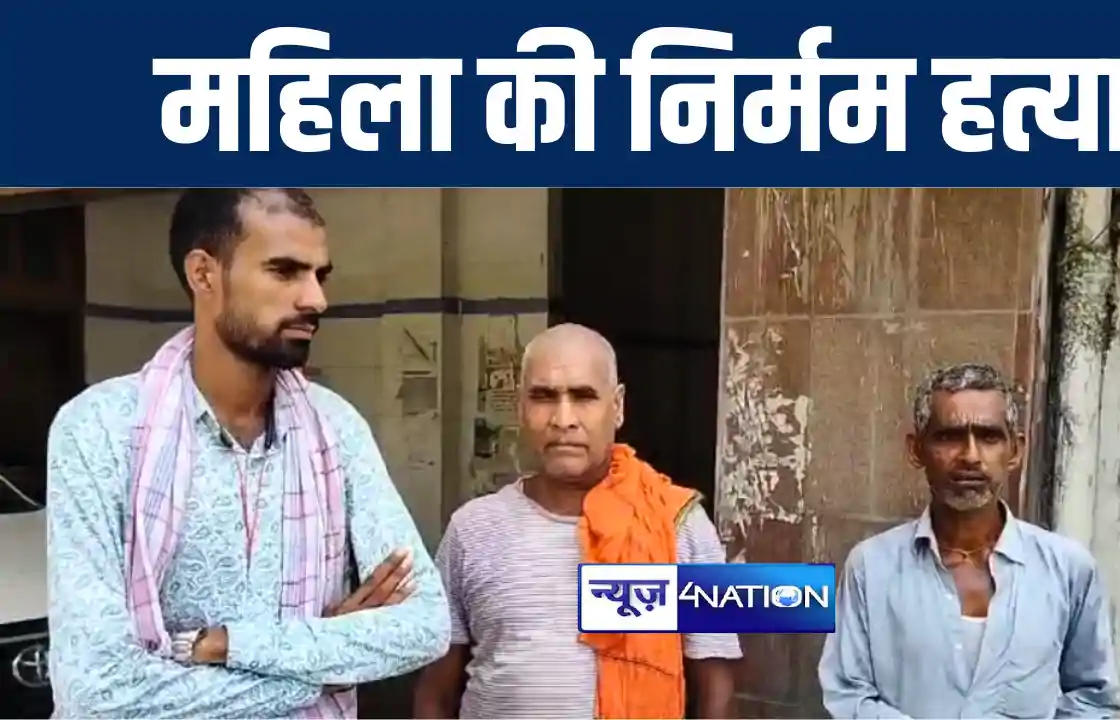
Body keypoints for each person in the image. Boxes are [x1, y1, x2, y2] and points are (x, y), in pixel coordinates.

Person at [46, 188, 451, 718]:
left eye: (320, 275)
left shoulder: (335, 428)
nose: (316, 299)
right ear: (204, 274)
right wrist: (322, 669)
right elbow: (99, 695)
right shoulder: (101, 429)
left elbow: (425, 625)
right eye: (285, 272)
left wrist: (226, 645)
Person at [412, 323, 741, 719]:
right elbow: (436, 693)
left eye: (584, 397)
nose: (563, 418)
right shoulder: (472, 530)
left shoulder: (677, 524)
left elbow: (716, 692)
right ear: (520, 407)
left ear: (617, 406)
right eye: (543, 397)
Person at [818, 362, 1120, 719]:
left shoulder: (1068, 569)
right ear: (916, 450)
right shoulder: (871, 567)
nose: (971, 456)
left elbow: (1093, 697)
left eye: (989, 437)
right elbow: (848, 694)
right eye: (949, 437)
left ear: (1015, 450)